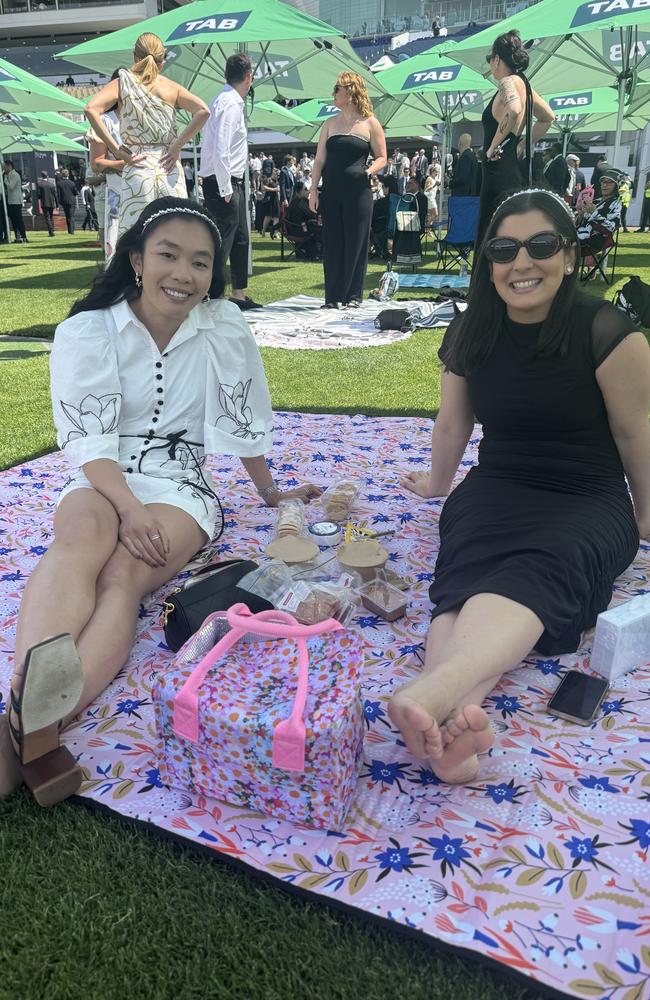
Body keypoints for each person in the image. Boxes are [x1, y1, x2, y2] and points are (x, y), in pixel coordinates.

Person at [0, 196, 322, 806]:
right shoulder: (87, 328)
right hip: (103, 475)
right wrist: (128, 506)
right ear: (137, 261)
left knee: (124, 576)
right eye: (169, 255)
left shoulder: (224, 324)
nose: (184, 274)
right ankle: (28, 710)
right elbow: (86, 438)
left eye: (201, 262)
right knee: (82, 543)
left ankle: (32, 729)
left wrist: (271, 492)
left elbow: (242, 418)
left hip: (181, 485)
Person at [388, 188, 650, 785]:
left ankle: (436, 690)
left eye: (541, 245)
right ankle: (450, 733)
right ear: (487, 261)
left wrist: (647, 513)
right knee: (463, 578)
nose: (522, 262)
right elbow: (453, 422)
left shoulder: (608, 331)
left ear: (570, 253)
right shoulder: (471, 331)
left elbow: (635, 435)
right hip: (498, 484)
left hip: (587, 496)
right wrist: (436, 483)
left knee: (541, 566)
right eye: (505, 248)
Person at [85, 33, 209, 238]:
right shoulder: (171, 86)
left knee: (137, 239)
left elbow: (91, 109)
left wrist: (116, 150)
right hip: (168, 165)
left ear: (135, 56)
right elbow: (203, 110)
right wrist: (177, 145)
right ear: (162, 61)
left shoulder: (123, 82)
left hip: (137, 165)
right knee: (175, 238)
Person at [310, 72, 387, 309]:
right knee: (332, 242)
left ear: (351, 91)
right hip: (331, 190)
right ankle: (332, 297)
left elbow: (383, 157)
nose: (333, 93)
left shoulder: (370, 123)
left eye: (337, 88)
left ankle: (354, 295)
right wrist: (313, 190)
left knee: (357, 241)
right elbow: (319, 160)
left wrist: (368, 171)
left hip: (358, 190)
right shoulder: (329, 124)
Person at [477, 30, 555, 247]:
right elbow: (548, 117)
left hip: (497, 169)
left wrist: (493, 146)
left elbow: (513, 108)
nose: (491, 66)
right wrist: (522, 144)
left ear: (497, 59)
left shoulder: (507, 81)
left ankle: (487, 280)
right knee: (509, 233)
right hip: (513, 168)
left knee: (492, 232)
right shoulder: (526, 86)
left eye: (490, 61)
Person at [200, 52, 261, 312]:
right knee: (223, 241)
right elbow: (222, 148)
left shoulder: (224, 101)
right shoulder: (230, 104)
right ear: (248, 78)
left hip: (227, 179)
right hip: (223, 181)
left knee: (240, 238)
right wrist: (226, 188)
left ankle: (238, 293)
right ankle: (210, 296)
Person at [575, 172, 621, 256]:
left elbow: (611, 227)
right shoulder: (596, 201)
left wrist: (594, 214)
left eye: (609, 182)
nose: (605, 185)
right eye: (603, 182)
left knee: (560, 246)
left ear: (616, 186)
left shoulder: (615, 204)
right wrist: (580, 214)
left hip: (593, 241)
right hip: (579, 237)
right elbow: (584, 221)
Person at [285, 180, 322, 260]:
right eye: (305, 189)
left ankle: (315, 252)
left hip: (296, 228)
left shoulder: (296, 201)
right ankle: (318, 253)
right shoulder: (300, 202)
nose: (308, 191)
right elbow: (312, 214)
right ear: (298, 192)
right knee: (322, 230)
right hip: (299, 230)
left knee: (317, 227)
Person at [3, 161, 27, 243]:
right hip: (11, 201)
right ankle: (18, 237)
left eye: (5, 167)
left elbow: (11, 187)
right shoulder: (10, 175)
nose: (4, 169)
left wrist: (5, 179)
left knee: (18, 219)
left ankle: (24, 236)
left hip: (16, 201)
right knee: (14, 220)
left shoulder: (14, 175)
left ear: (9, 166)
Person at [55, 168, 78, 235]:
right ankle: (71, 230)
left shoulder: (59, 183)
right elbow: (76, 192)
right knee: (71, 216)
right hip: (72, 201)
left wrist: (58, 203)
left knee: (67, 216)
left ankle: (70, 230)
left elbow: (58, 194)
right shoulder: (72, 183)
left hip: (64, 201)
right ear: (68, 174)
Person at [260, 168, 280, 238]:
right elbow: (263, 187)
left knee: (276, 216)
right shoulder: (268, 179)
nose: (277, 175)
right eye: (276, 173)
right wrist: (274, 189)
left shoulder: (277, 181)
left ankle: (275, 233)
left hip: (275, 199)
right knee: (268, 216)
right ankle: (263, 231)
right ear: (272, 173)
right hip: (269, 199)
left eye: (278, 174)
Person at [37, 171, 58, 237]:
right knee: (51, 217)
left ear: (42, 176)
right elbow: (55, 195)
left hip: (44, 203)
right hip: (51, 203)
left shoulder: (39, 184)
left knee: (47, 218)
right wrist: (57, 205)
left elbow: (38, 195)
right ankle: (52, 230)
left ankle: (51, 232)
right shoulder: (51, 184)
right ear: (47, 176)